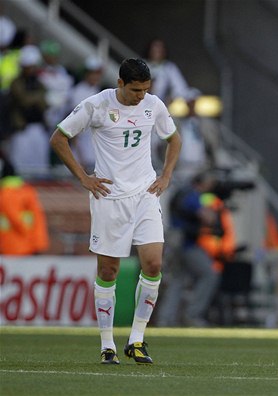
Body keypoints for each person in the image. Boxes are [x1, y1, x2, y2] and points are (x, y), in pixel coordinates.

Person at [50, 58, 182, 365]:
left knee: (153, 264)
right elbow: (59, 139)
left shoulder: (153, 105)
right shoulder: (95, 105)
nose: (141, 96)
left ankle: (136, 339)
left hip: (146, 193)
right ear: (120, 83)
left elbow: (174, 139)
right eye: (136, 90)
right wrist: (83, 177)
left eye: (146, 90)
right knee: (107, 270)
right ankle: (107, 343)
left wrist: (166, 176)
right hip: (109, 196)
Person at [158, 172, 222, 327]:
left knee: (177, 280)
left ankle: (166, 318)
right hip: (185, 244)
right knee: (210, 274)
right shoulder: (191, 194)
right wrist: (215, 214)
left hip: (175, 242)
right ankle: (193, 314)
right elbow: (207, 217)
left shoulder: (182, 192)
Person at [7, 44, 50, 176]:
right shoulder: (16, 82)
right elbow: (23, 100)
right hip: (22, 129)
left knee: (40, 168)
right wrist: (38, 97)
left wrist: (38, 98)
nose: (30, 70)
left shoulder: (40, 82)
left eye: (32, 66)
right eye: (28, 67)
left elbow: (45, 104)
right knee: (20, 167)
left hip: (39, 128)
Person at [0, 154, 49, 255]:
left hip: (14, 245)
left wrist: (27, 236)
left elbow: (14, 218)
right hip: (32, 244)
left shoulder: (6, 193)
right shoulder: (28, 190)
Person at [66, 56, 106, 173]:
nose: (95, 76)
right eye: (92, 72)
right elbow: (73, 127)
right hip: (81, 150)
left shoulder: (102, 91)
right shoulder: (77, 92)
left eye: (97, 72)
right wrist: (79, 157)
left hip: (98, 151)